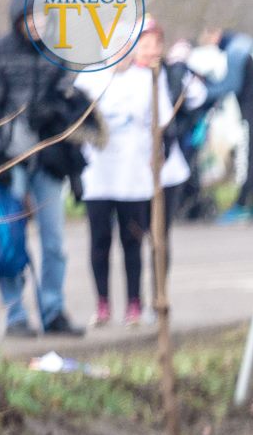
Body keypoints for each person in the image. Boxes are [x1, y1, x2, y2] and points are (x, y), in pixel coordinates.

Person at [0, 0, 87, 339]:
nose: (37, 24)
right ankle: (16, 315)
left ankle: (53, 310)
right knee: (10, 237)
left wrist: (55, 112)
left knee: (54, 241)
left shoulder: (58, 53)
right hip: (11, 158)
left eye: (43, 17)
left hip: (49, 158)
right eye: (30, 18)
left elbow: (69, 103)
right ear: (18, 19)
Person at [74, 18, 196, 327]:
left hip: (134, 177)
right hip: (98, 177)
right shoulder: (88, 79)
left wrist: (160, 155)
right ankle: (102, 304)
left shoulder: (148, 79)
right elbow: (73, 123)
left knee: (133, 241)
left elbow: (164, 126)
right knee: (100, 240)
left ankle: (134, 304)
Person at [200, 27, 253, 224]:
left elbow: (231, 84)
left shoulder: (234, 52)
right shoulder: (241, 46)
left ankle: (241, 205)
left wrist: (205, 90)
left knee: (248, 159)